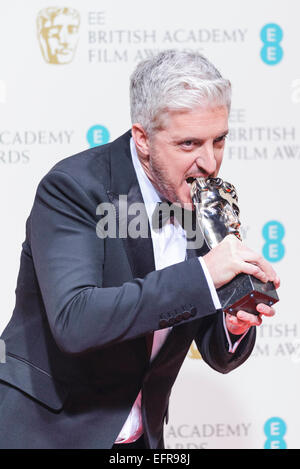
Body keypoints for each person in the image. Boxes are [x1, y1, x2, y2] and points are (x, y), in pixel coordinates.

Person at [0, 50, 279, 449]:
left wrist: (232, 323)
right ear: (143, 138)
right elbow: (76, 322)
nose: (209, 162)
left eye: (219, 140)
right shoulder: (74, 189)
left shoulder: (201, 200)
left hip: (140, 441)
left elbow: (215, 348)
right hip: (47, 434)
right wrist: (204, 276)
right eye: (189, 143)